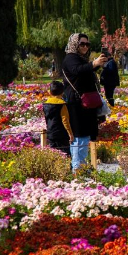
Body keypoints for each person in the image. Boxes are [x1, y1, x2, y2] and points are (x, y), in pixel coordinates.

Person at [61, 33, 107, 171]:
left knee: (85, 135)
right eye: (82, 44)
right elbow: (77, 70)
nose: (85, 47)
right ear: (75, 44)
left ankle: (81, 167)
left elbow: (85, 74)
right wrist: (94, 64)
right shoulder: (70, 58)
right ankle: (77, 169)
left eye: (87, 44)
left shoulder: (81, 58)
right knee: (79, 136)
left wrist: (97, 65)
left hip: (85, 103)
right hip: (76, 103)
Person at [43, 81, 74, 156]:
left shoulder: (46, 104)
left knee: (53, 154)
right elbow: (65, 120)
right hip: (61, 134)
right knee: (65, 153)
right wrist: (70, 134)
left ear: (50, 92)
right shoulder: (62, 104)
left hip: (50, 132)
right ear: (62, 92)